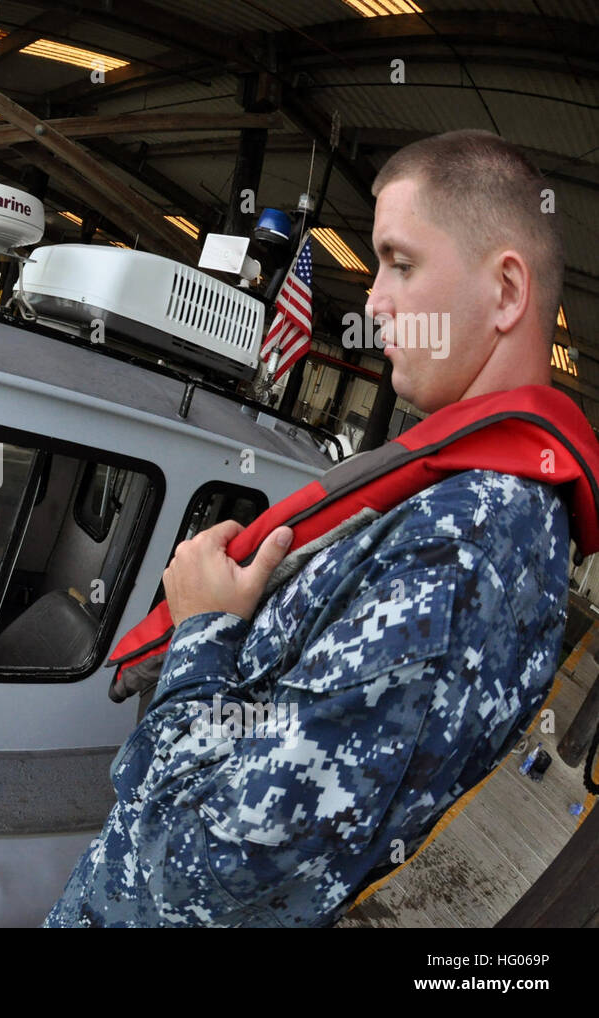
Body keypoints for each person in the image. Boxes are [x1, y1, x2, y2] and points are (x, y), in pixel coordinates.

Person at [46, 130, 573, 927]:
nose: (374, 301)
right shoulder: (464, 505)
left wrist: (203, 631)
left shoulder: (461, 542)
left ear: (505, 292)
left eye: (400, 263)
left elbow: (208, 867)